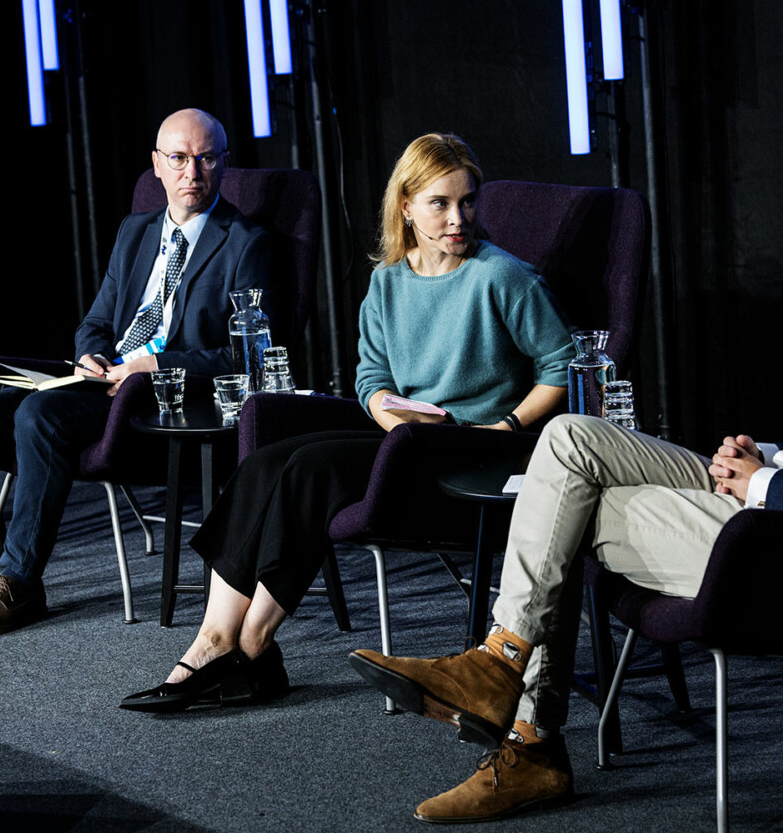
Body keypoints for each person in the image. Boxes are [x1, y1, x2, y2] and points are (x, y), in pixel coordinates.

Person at [349, 146, 783, 824]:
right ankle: (503, 672)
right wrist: (766, 455)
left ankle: (525, 732)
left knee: (566, 505)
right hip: (775, 493)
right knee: (568, 440)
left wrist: (763, 482)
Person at [119, 133, 574, 712]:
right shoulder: (387, 282)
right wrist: (385, 405)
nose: (458, 218)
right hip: (406, 436)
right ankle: (215, 639)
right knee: (263, 463)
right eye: (440, 203)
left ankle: (252, 647)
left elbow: (565, 365)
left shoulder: (504, 277)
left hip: (472, 449)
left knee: (312, 468)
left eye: (468, 201)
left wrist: (506, 427)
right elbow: (369, 377)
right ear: (406, 206)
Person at [0, 108, 277, 638]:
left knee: (39, 413)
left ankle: (21, 583)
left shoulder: (245, 241)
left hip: (161, 396)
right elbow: (96, 321)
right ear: (157, 166)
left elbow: (245, 356)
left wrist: (155, 363)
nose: (193, 171)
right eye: (180, 158)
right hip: (102, 382)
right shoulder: (136, 231)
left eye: (207, 158)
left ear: (224, 164)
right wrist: (90, 355)